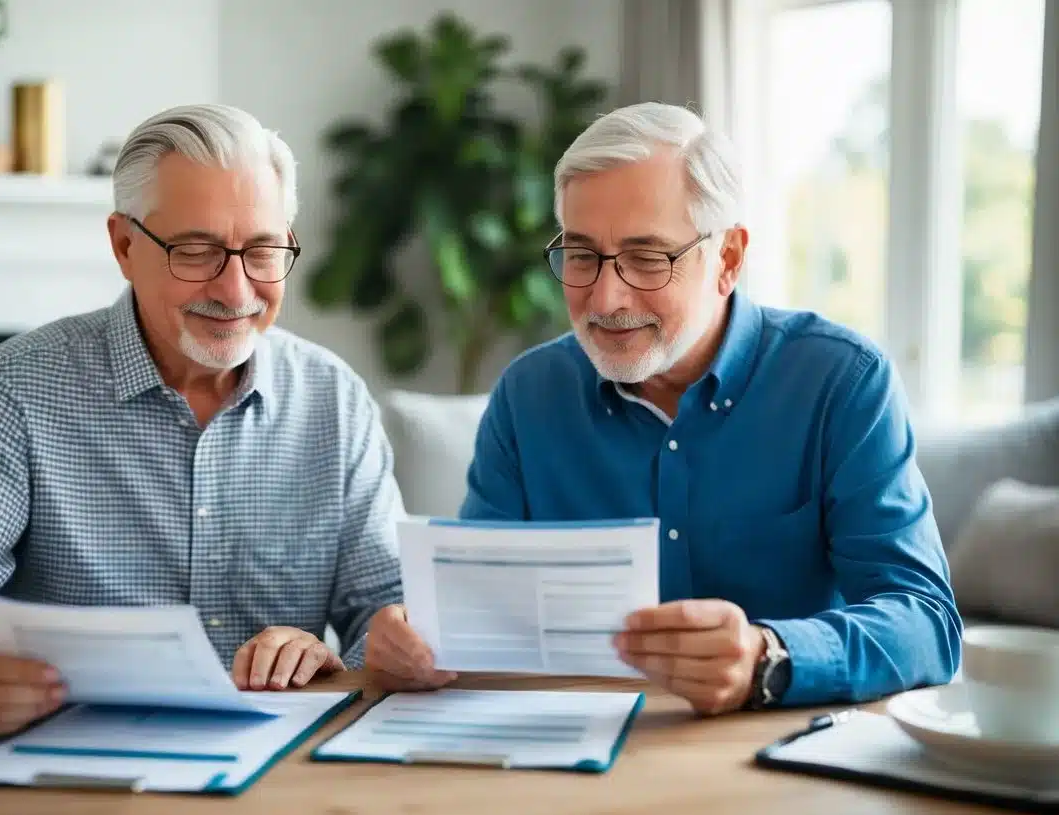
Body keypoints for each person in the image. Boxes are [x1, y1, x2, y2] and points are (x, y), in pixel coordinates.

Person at [365, 101, 962, 714]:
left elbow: (926, 622)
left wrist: (770, 655)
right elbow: (471, 608)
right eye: (581, 254)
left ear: (727, 258)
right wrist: (414, 639)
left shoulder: (840, 382)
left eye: (647, 258)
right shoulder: (528, 395)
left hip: (780, 750)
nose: (605, 296)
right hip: (570, 750)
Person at [0, 104, 404, 735]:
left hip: (284, 768)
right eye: (195, 251)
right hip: (76, 765)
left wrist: (339, 655)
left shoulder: (334, 399)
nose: (234, 289)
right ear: (123, 245)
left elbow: (391, 607)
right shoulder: (16, 389)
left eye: (262, 249)